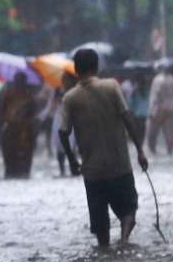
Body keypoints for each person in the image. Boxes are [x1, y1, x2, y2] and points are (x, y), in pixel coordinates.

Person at [58, 49, 149, 248]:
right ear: (96, 67)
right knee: (129, 210)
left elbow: (63, 132)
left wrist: (72, 161)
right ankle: (124, 240)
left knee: (100, 227)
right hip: (119, 165)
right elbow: (127, 118)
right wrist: (140, 150)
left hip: (92, 171)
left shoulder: (70, 98)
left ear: (76, 69)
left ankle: (105, 255)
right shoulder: (111, 86)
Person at [0, 72, 38, 178]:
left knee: (26, 154)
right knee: (9, 154)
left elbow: (33, 114)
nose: (19, 83)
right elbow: (1, 112)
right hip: (11, 128)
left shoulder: (29, 97)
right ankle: (10, 172)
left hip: (25, 130)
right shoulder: (8, 95)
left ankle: (24, 172)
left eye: (21, 81)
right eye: (17, 81)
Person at [147, 68, 173, 156]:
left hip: (159, 109)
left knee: (152, 133)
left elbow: (156, 95)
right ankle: (170, 153)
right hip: (171, 108)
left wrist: (152, 110)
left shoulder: (157, 79)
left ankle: (153, 153)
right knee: (169, 133)